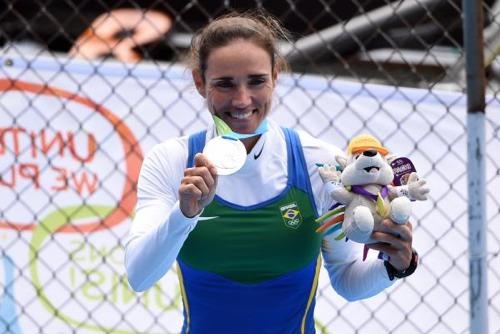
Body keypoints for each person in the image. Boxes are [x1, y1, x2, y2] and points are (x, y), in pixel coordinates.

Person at [124, 11, 417, 334]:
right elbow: (139, 276)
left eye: (256, 81)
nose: (242, 100)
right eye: (224, 84)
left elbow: (347, 280)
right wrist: (185, 214)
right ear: (199, 82)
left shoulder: (320, 163)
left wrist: (396, 265)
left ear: (276, 75)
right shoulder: (172, 161)